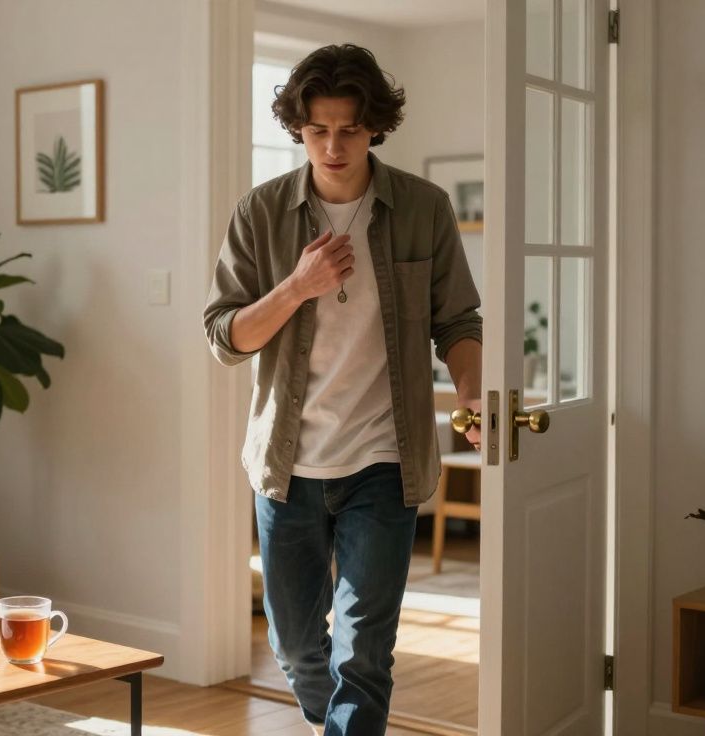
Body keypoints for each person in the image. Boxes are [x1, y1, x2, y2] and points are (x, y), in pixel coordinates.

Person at [202, 44, 483, 735]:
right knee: (297, 649)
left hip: (383, 467)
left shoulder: (424, 209)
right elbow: (222, 337)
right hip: (286, 467)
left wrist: (474, 393)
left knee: (363, 656)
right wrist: (299, 287)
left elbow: (458, 321)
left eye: (350, 129)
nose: (333, 145)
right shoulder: (261, 213)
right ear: (298, 126)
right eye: (318, 128)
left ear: (375, 127)